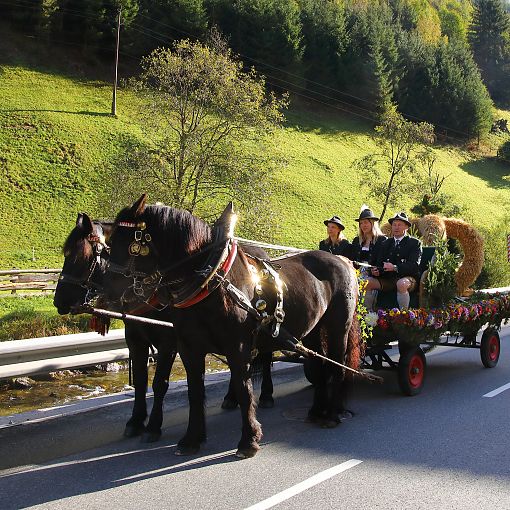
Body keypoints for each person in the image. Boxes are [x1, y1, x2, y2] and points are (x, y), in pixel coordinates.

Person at [366, 211, 422, 310]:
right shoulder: (386, 243)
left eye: (399, 225)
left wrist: (395, 267)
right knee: (367, 282)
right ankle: (368, 315)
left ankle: (403, 316)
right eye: (394, 225)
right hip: (388, 279)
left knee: (401, 284)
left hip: (409, 278)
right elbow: (379, 263)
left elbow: (414, 266)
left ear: (406, 227)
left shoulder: (414, 243)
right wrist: (376, 271)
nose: (396, 227)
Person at [349, 206, 387, 311]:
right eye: (361, 223)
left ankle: (366, 312)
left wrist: (378, 270)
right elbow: (352, 259)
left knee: (364, 282)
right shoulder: (357, 240)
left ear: (372, 223)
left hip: (373, 273)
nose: (363, 225)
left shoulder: (382, 240)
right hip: (357, 271)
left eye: (366, 222)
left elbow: (383, 260)